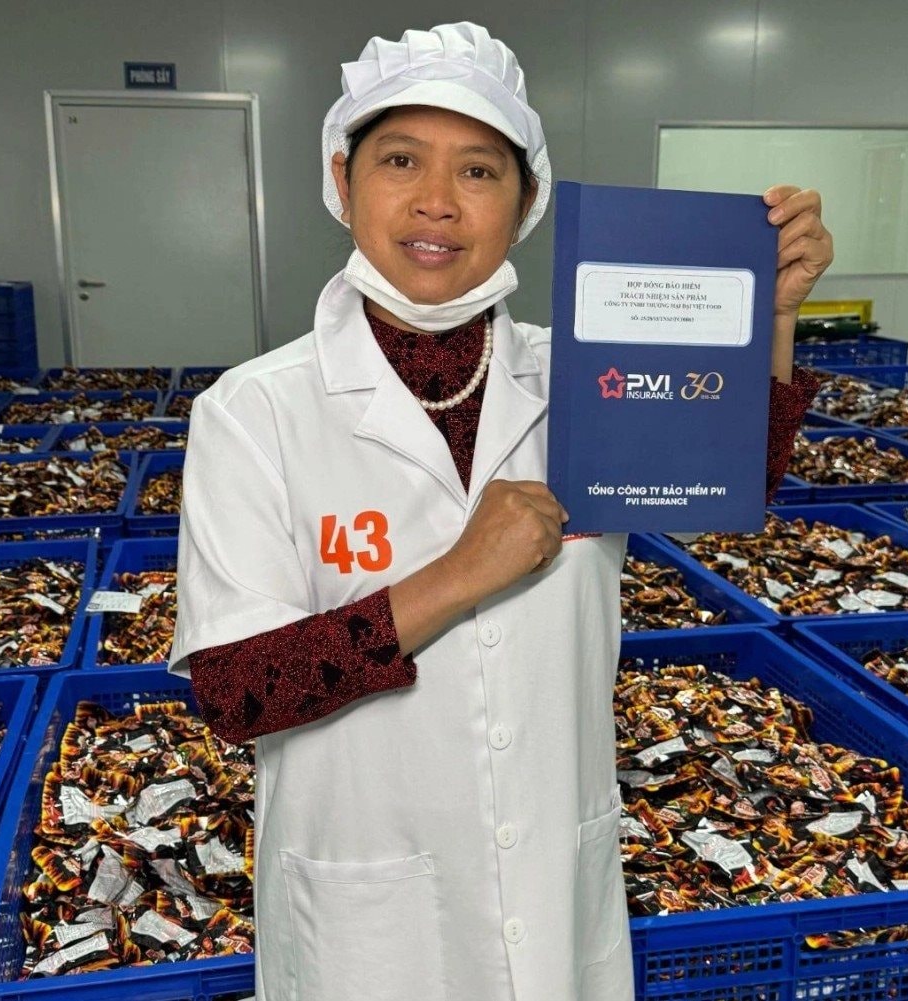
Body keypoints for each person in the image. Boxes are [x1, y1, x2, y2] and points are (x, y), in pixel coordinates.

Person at [168, 22, 832, 1001]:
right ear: (344, 179)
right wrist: (458, 574)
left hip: (552, 887)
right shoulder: (254, 411)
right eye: (400, 160)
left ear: (526, 203)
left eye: (479, 170)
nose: (436, 200)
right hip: (366, 923)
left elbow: (730, 484)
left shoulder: (589, 376)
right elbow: (237, 691)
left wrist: (770, 315)